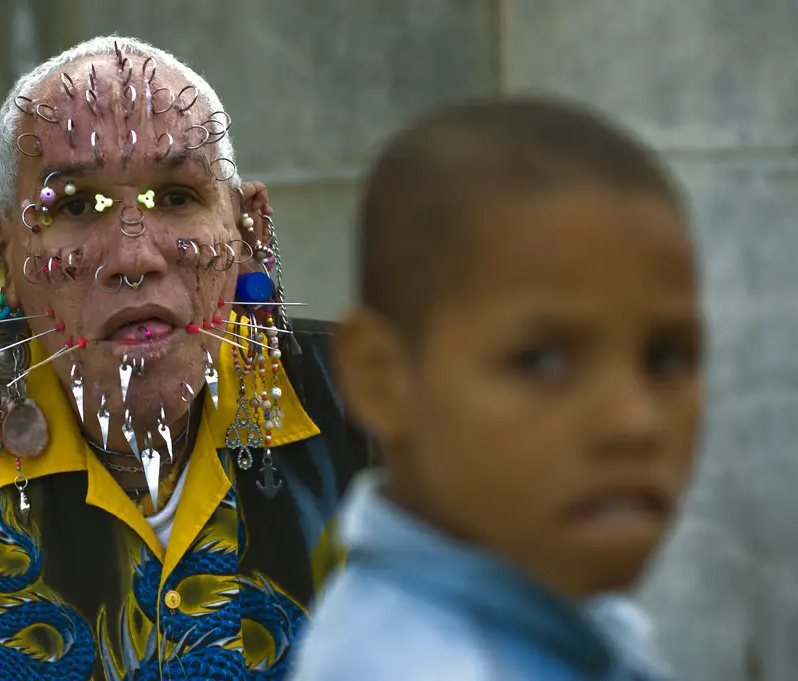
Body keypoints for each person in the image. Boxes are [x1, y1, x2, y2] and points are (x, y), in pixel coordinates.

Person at [0, 34, 369, 681]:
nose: (134, 256)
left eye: (175, 196)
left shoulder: (375, 407)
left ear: (248, 226)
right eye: (77, 206)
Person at [288, 97, 704, 681]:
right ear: (380, 380)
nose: (635, 422)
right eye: (543, 361)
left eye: (666, 358)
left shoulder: (547, 594)